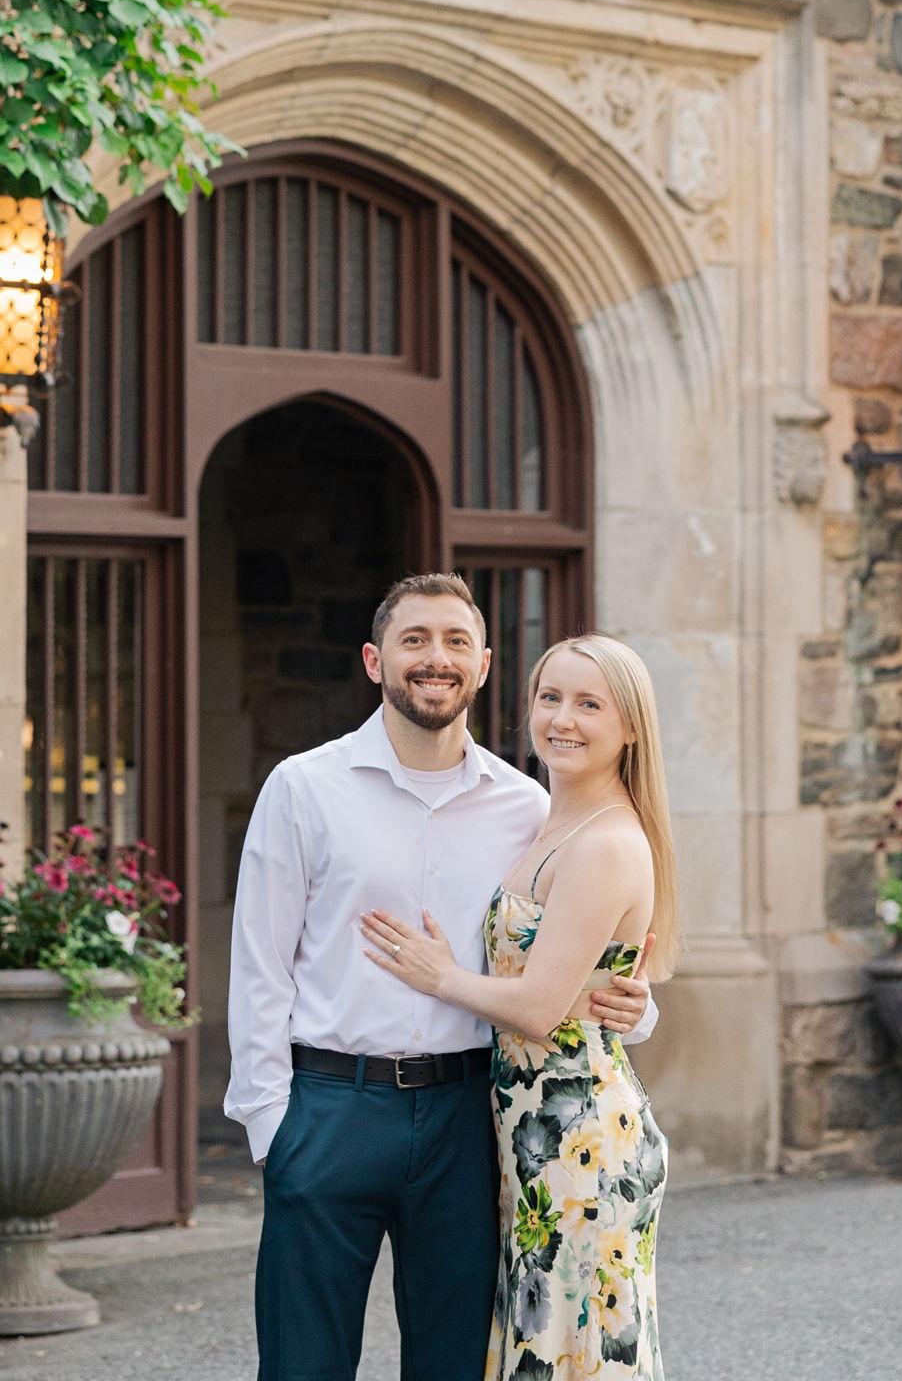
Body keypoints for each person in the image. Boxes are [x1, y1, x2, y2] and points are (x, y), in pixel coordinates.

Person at [227, 575, 659, 1381]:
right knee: (301, 1363)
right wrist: (271, 1127)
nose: (437, 658)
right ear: (374, 660)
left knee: (458, 1362)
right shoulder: (304, 788)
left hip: (468, 1120)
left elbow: (570, 943)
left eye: (457, 642)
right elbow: (260, 964)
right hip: (332, 1107)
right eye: (415, 640)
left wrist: (637, 1008)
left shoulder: (528, 806)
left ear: (485, 665)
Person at [364, 632, 678, 1380]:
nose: (562, 719)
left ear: (630, 727)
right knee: (546, 1347)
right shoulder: (547, 819)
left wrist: (439, 976)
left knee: (574, 1352)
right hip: (533, 1134)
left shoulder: (605, 843)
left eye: (589, 704)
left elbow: (539, 1008)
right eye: (550, 697)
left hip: (578, 1139)